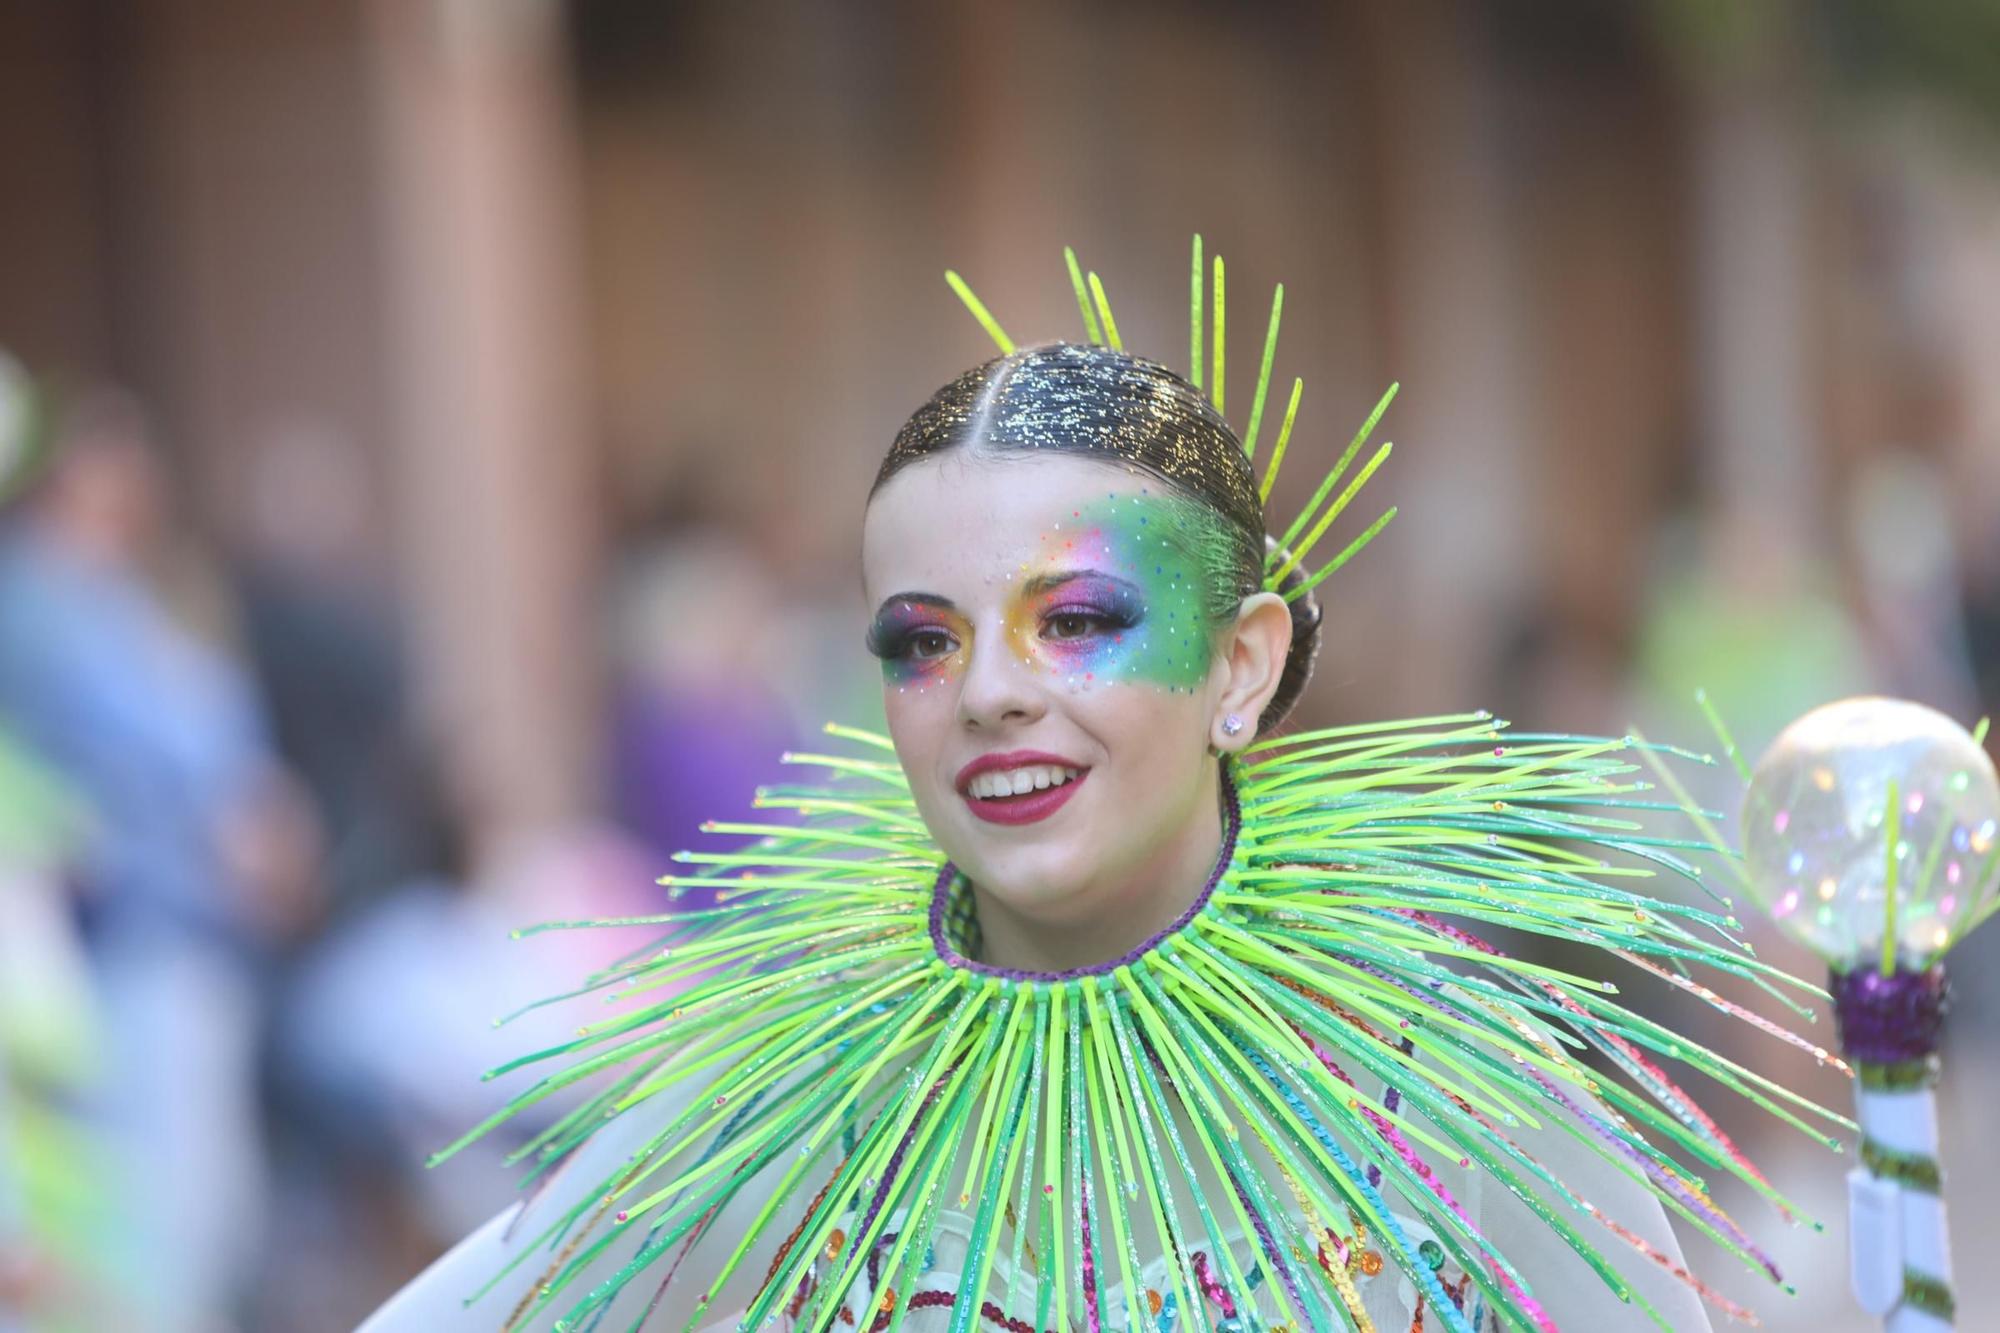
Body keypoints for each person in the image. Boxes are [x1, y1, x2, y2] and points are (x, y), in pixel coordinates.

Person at [364, 245, 1841, 1332]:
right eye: (923, 641)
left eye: (1074, 620)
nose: (995, 689)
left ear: (1244, 662)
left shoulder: (1442, 1086)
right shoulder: (778, 1110)